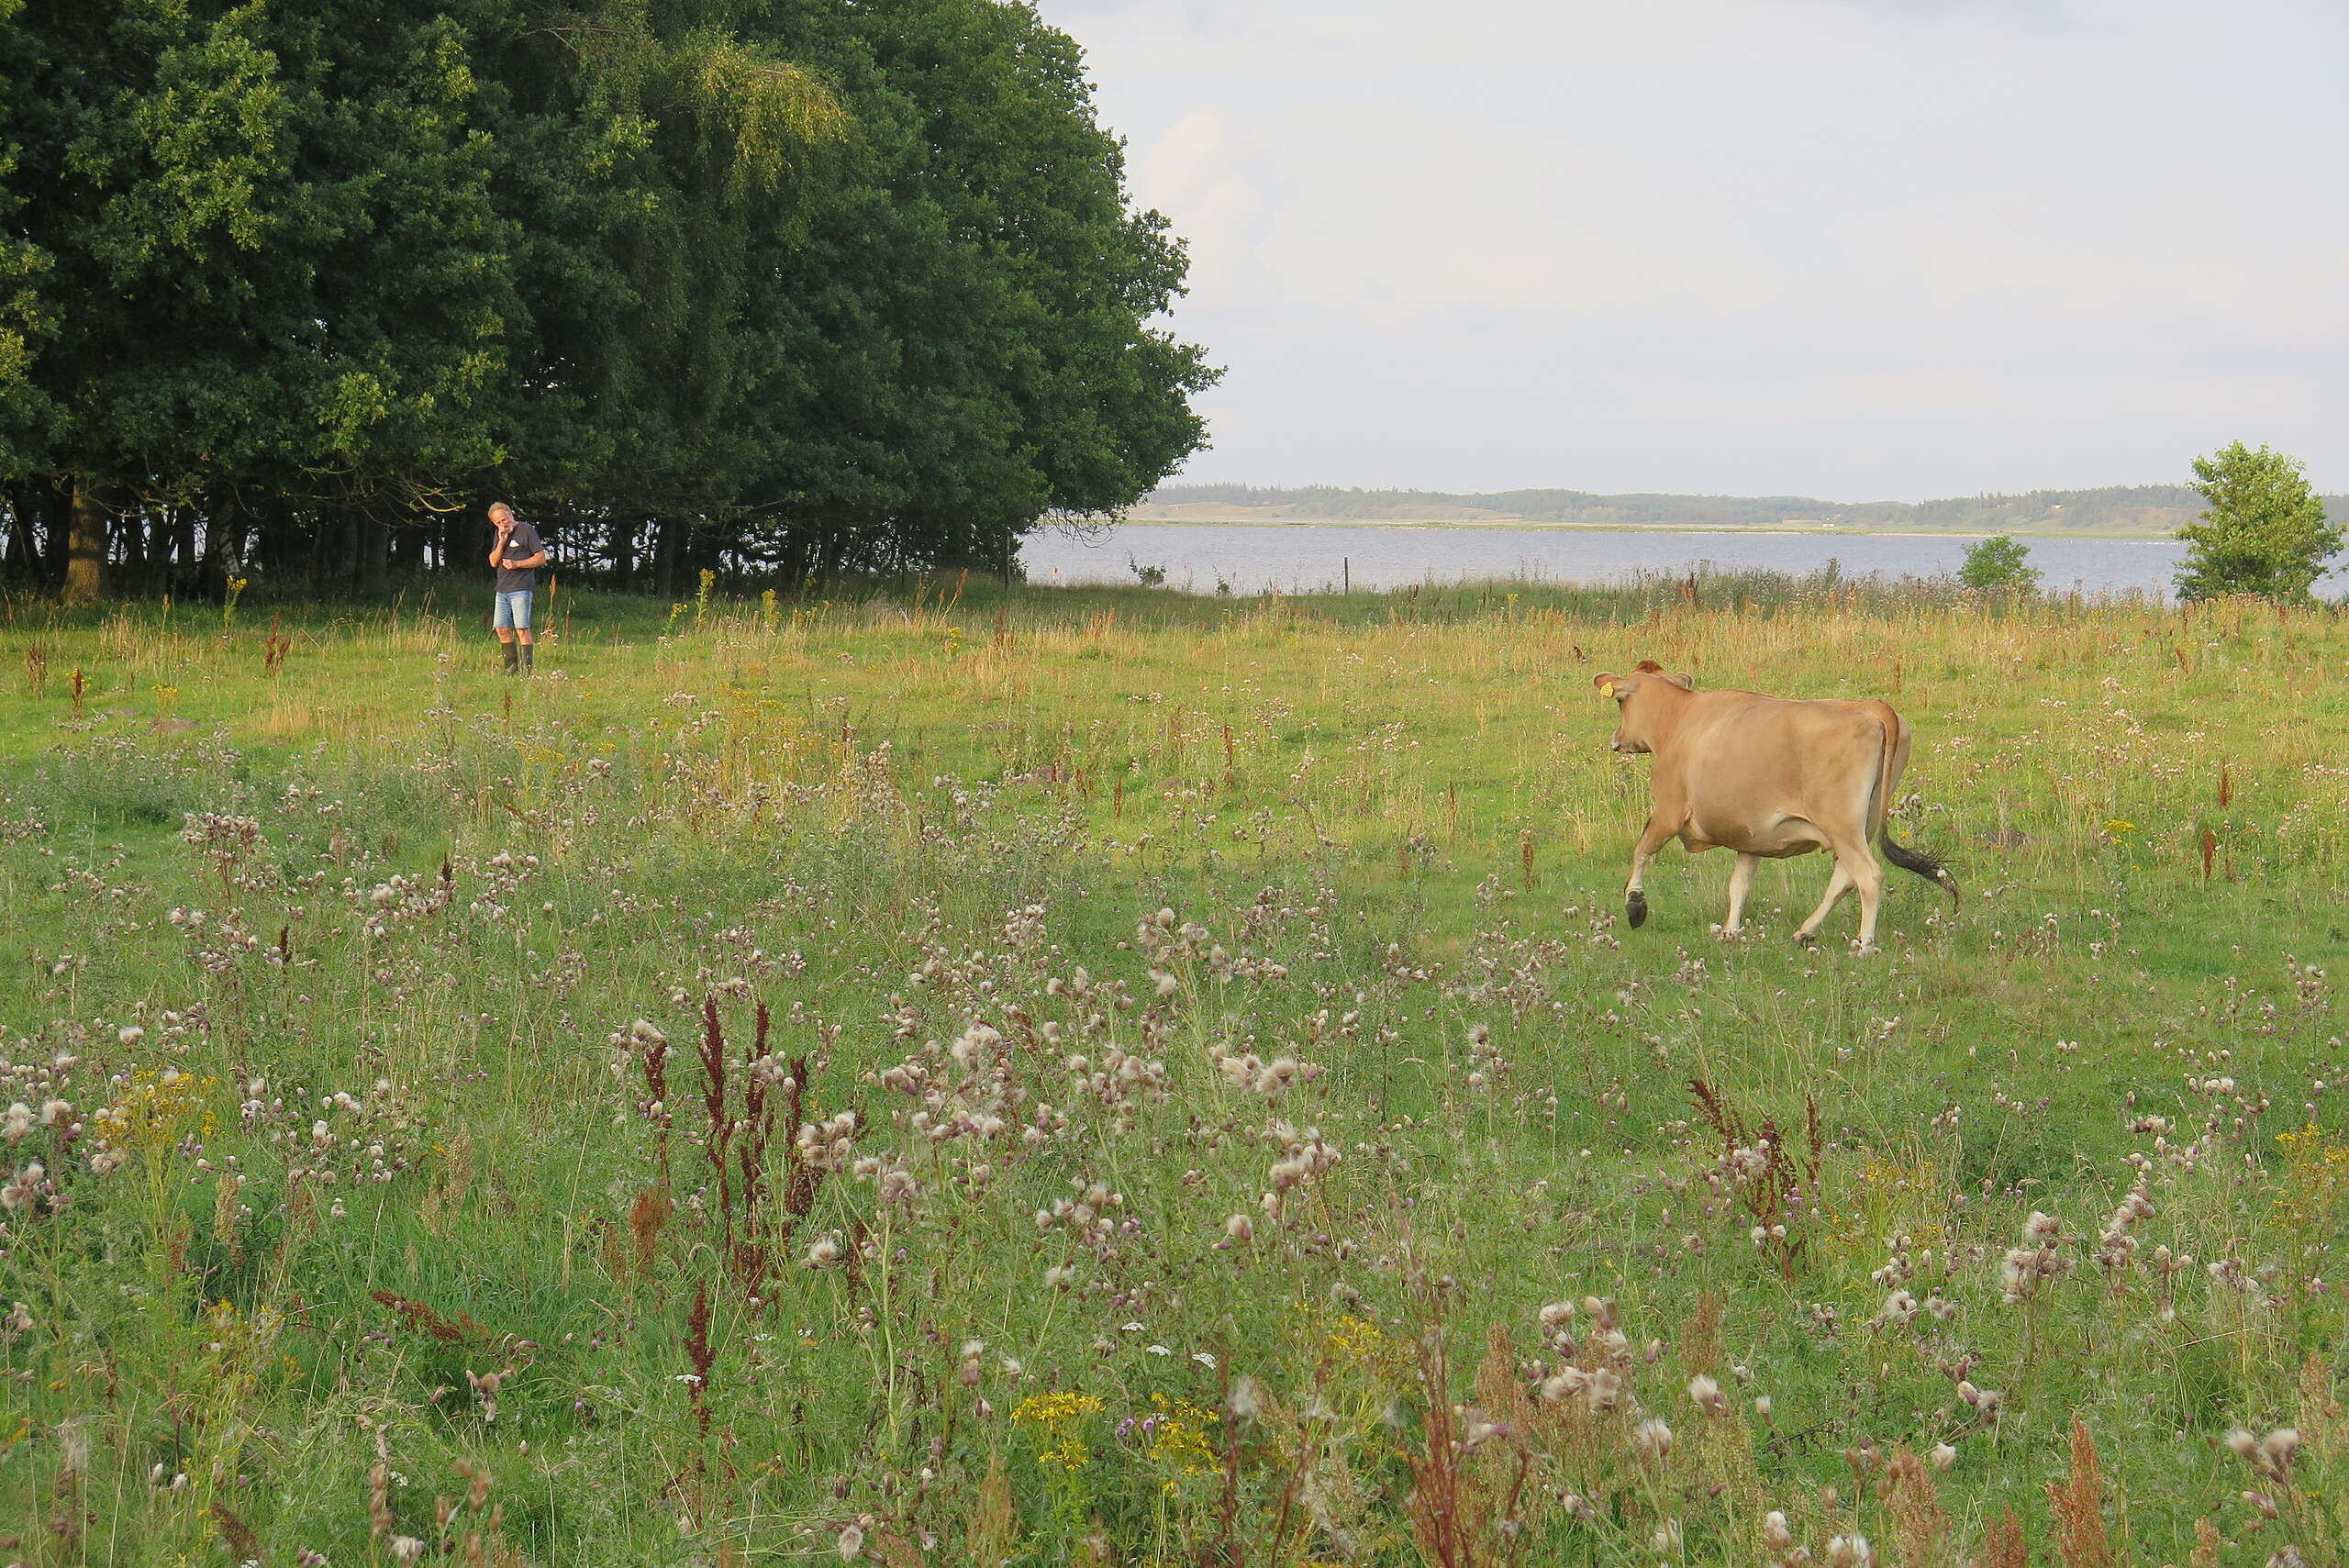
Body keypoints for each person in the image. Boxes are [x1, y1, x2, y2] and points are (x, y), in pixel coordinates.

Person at [485, 501, 548, 673]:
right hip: (502, 589)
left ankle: (527, 670)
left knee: (521, 628)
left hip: (521, 588)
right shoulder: (500, 535)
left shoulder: (527, 530)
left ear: (511, 514)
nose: (502, 524)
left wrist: (517, 563)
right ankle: (511, 669)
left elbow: (541, 558)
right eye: (498, 522)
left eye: (504, 520)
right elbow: (493, 562)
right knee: (501, 628)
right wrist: (501, 542)